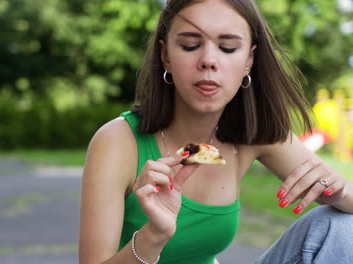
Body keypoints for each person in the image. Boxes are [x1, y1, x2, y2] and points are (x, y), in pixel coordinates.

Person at [79, 0, 353, 263]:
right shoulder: (116, 142)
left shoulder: (251, 134)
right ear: (165, 56)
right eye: (190, 45)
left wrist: (341, 195)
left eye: (228, 47)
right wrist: (154, 236)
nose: (208, 60)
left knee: (340, 225)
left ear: (249, 59)